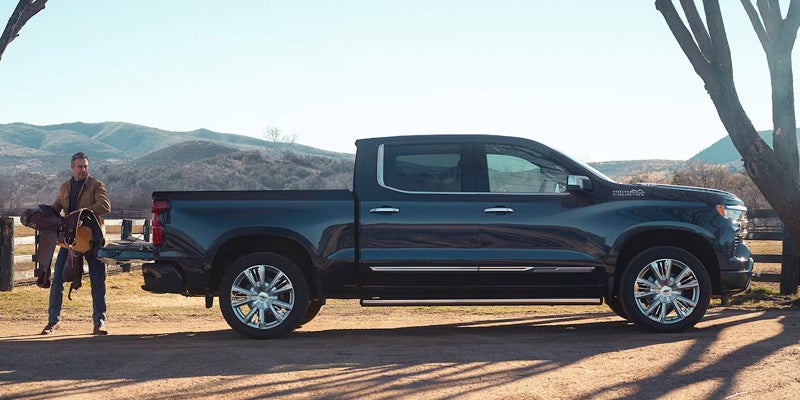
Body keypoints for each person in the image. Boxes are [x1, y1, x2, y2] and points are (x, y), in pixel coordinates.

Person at [41, 152, 111, 335]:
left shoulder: (96, 185)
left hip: (91, 239)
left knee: (98, 280)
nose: (83, 170)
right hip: (71, 240)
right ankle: (52, 321)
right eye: (80, 166)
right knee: (57, 280)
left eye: (86, 166)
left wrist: (83, 213)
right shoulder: (65, 187)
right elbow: (57, 207)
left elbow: (105, 206)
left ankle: (99, 322)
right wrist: (44, 213)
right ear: (72, 167)